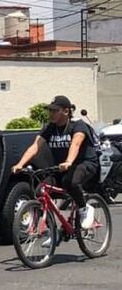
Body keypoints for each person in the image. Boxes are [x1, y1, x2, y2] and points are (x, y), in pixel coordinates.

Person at [12, 95, 98, 230]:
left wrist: (69, 161)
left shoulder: (78, 125)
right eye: (50, 110)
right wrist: (20, 164)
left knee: (71, 182)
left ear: (66, 111)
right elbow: (35, 146)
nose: (51, 114)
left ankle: (84, 208)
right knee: (41, 191)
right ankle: (53, 231)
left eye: (54, 111)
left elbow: (75, 144)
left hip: (84, 164)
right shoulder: (50, 128)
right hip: (62, 167)